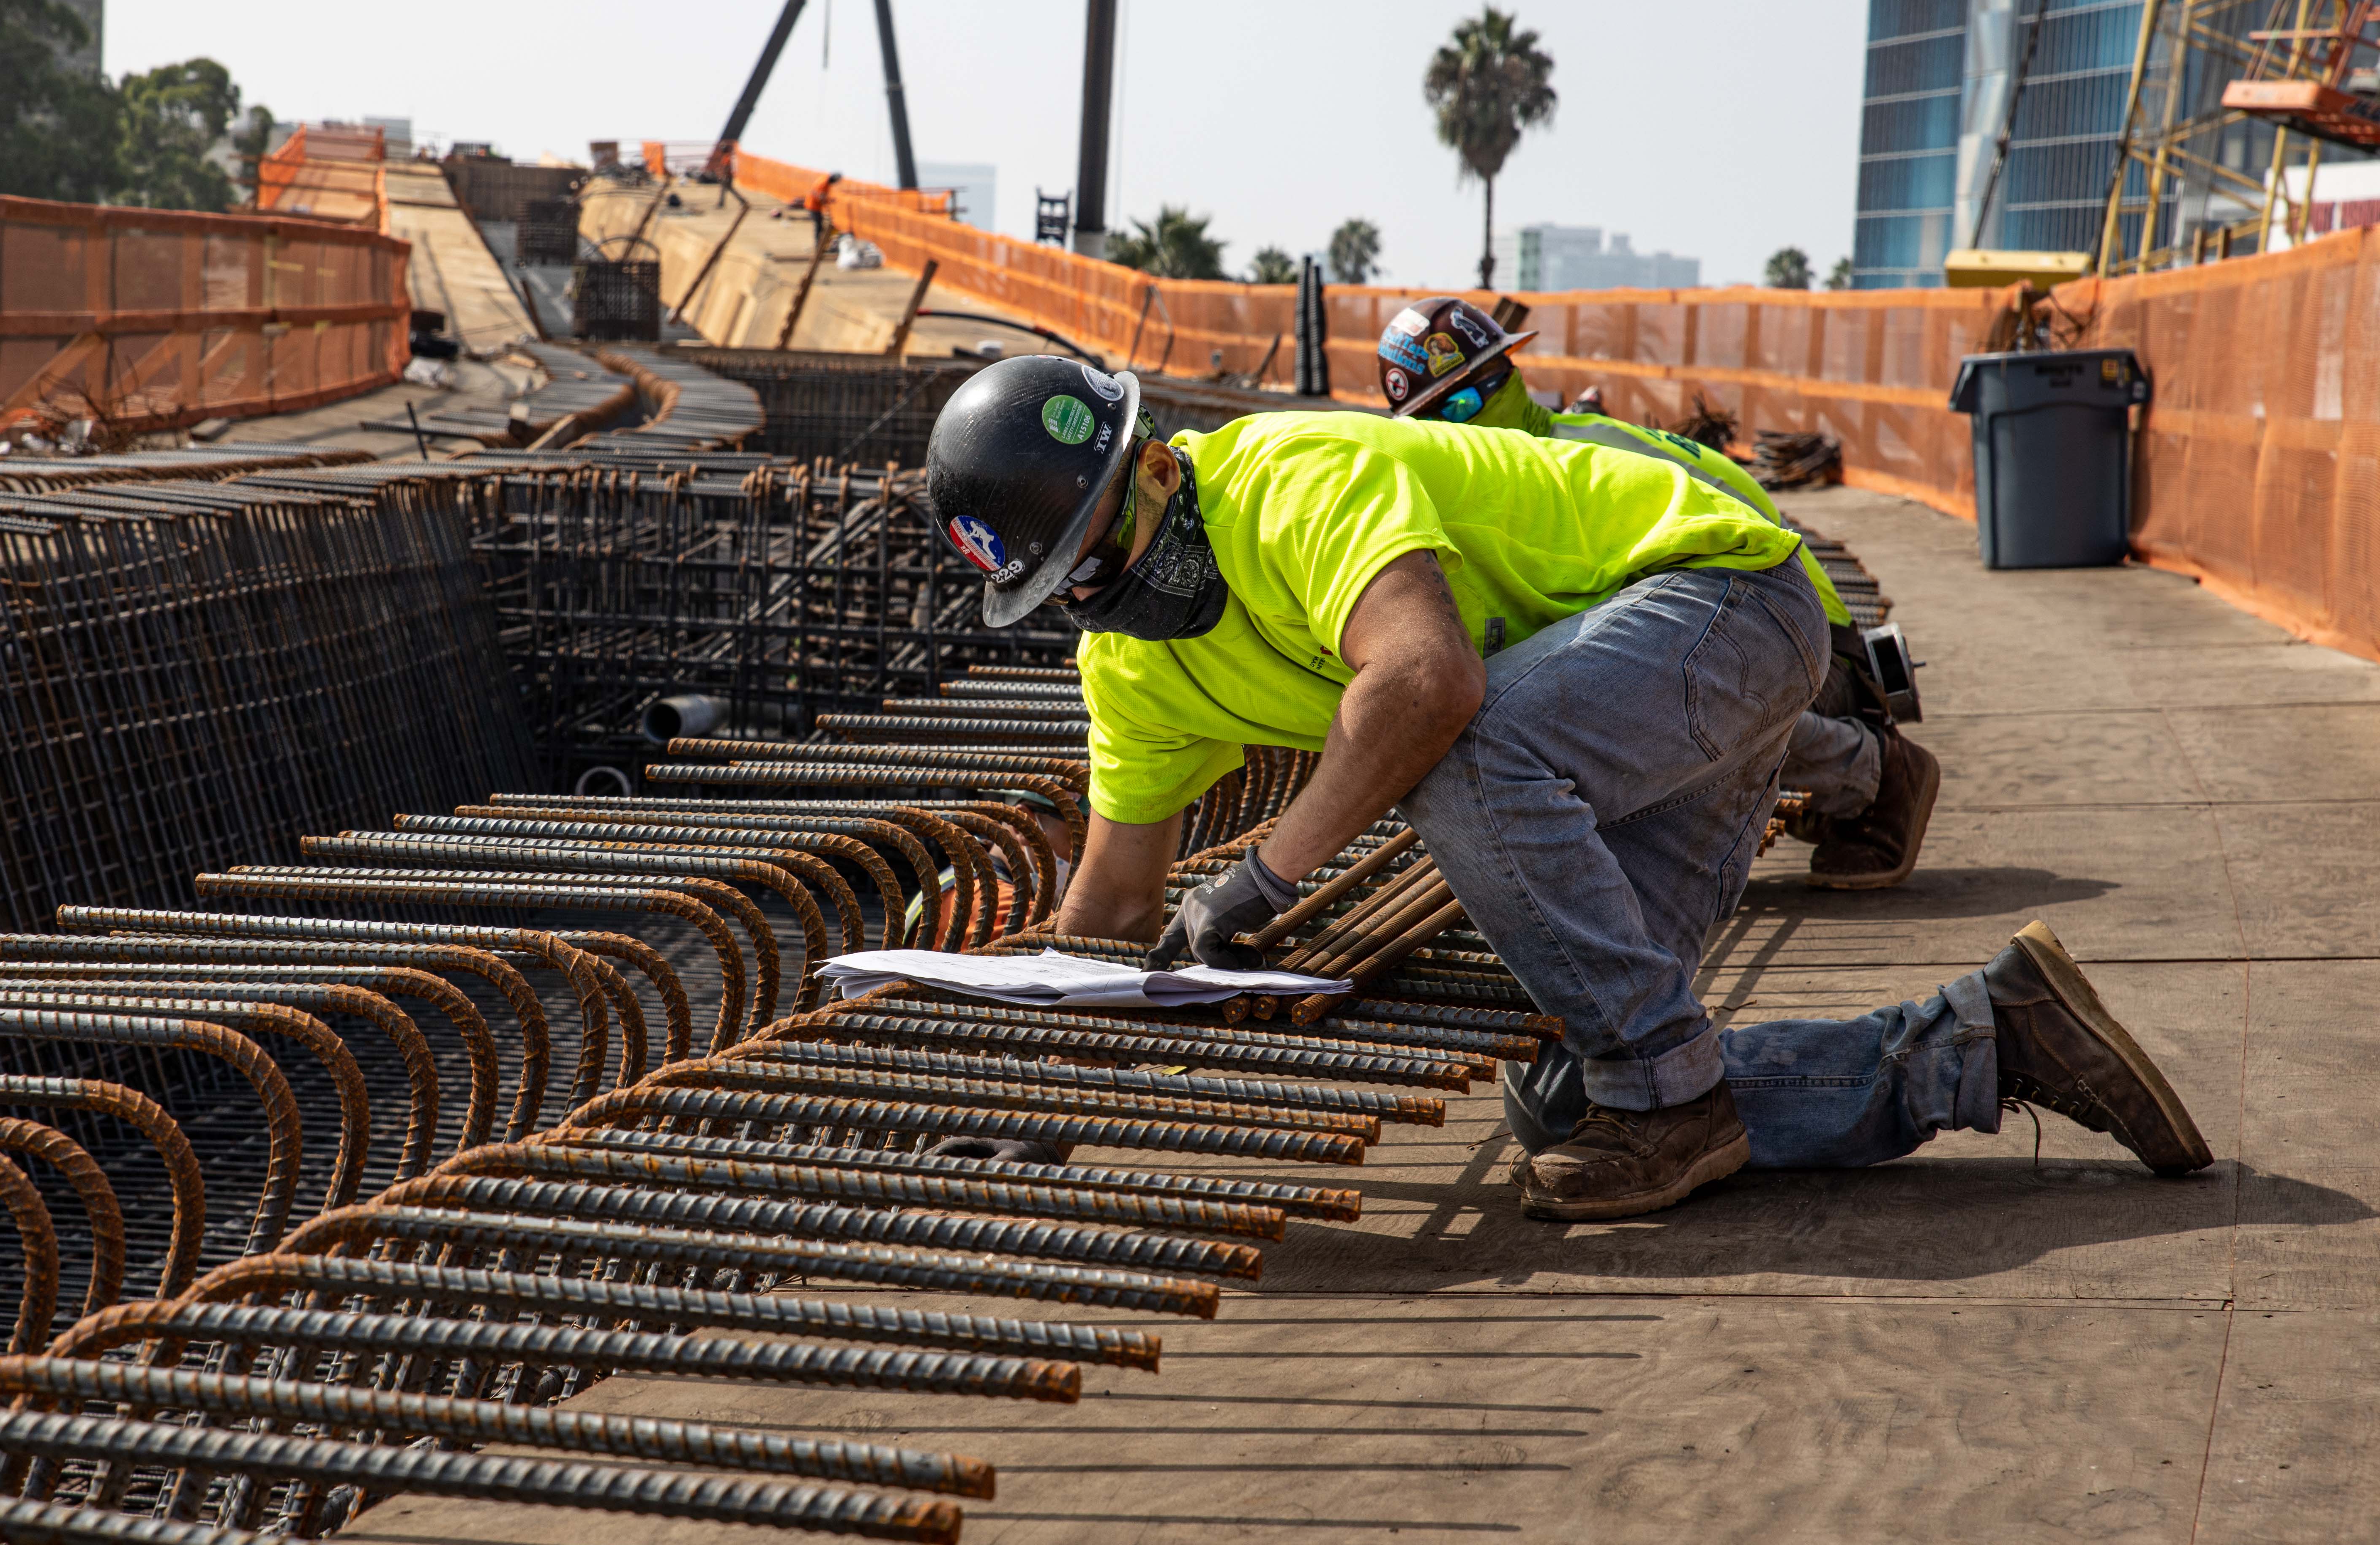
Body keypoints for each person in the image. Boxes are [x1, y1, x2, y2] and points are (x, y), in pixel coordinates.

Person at [924, 352, 2210, 1220]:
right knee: (1575, 1093)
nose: (1107, 597)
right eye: (1071, 588)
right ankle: (1986, 1040)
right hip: (1633, 727)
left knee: (1462, 759)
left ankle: (1681, 1092)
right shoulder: (1132, 668)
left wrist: (1265, 880)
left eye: (1106, 553)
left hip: (1722, 609)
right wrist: (1035, 1105)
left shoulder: (1285, 481)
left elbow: (1425, 684)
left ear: (1153, 466)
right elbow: (1105, 911)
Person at [1377, 297, 1938, 888]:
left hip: (1812, 652)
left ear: (1506, 379)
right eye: (1428, 423)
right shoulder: (1525, 470)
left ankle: (1877, 773)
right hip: (1753, 639)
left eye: (1462, 406)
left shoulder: (1582, 459)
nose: (1448, 433)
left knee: (1630, 689)